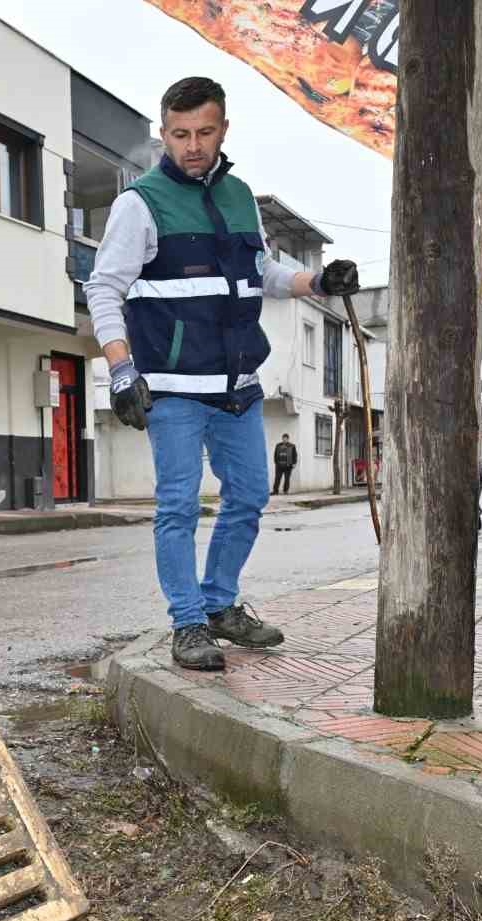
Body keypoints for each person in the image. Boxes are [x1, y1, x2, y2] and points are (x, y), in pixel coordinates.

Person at [84, 77, 361, 671]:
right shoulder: (141, 203)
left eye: (204, 133)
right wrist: (122, 371)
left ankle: (219, 605)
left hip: (238, 383)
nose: (192, 145)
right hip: (175, 388)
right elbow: (103, 288)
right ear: (164, 133)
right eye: (180, 134)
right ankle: (187, 624)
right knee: (179, 506)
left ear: (223, 130)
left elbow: (259, 270)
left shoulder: (238, 196)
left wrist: (317, 283)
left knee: (250, 496)